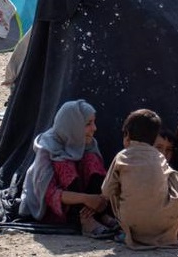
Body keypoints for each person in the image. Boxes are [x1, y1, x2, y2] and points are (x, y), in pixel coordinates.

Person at [20, 100, 118, 238]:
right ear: (73, 126)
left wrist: (96, 200)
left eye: (93, 122)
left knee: (91, 159)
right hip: (55, 209)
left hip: (85, 201)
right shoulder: (47, 148)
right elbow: (49, 194)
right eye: (88, 124)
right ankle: (85, 220)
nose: (94, 128)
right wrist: (86, 199)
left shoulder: (87, 143)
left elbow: (100, 176)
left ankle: (98, 215)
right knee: (64, 164)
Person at [101, 109, 178, 249]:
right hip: (163, 225)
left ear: (127, 135)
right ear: (154, 138)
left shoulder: (122, 156)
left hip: (134, 223)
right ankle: (166, 234)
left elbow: (106, 191)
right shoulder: (160, 158)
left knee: (114, 189)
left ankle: (130, 233)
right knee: (171, 177)